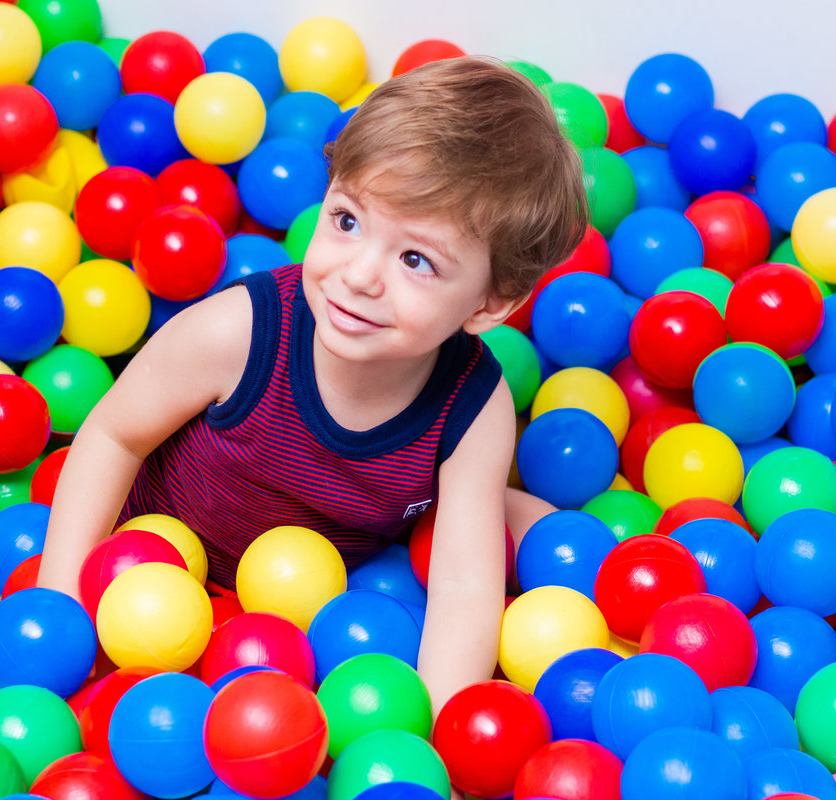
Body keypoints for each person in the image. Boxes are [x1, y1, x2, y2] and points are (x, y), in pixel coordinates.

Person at [35, 55, 588, 717]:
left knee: (516, 525)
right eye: (348, 221)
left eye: (416, 259)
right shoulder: (237, 333)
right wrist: (62, 616)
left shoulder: (473, 409)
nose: (358, 276)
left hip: (327, 607)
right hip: (160, 568)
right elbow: (111, 435)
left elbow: (466, 584)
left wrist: (433, 740)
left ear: (488, 305)